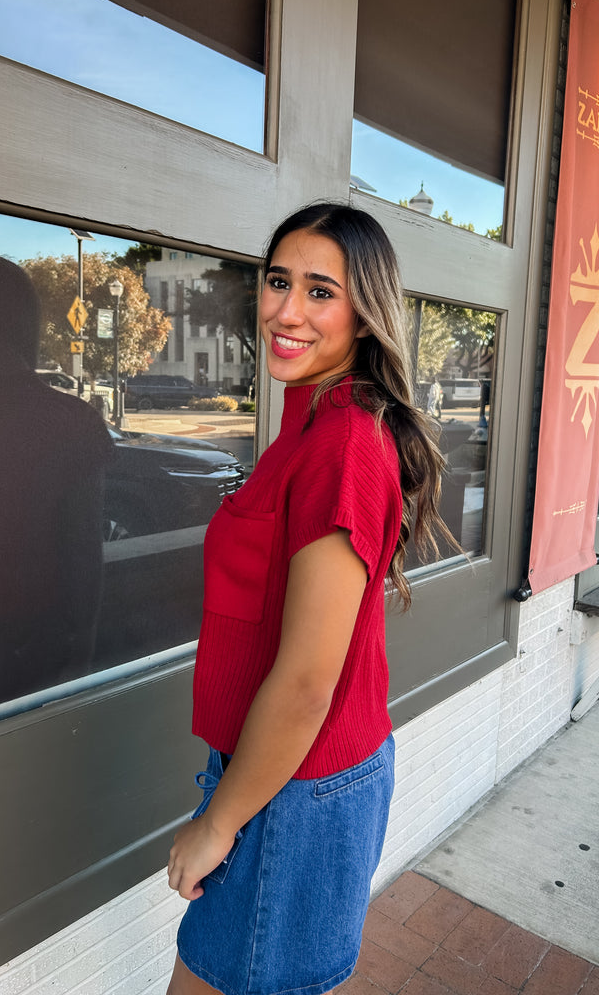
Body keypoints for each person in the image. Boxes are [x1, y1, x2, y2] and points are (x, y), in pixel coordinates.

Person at [166, 203, 451, 995]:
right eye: (277, 281)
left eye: (320, 291)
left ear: (364, 313)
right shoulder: (311, 422)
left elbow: (305, 681)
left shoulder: (342, 442)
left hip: (293, 791)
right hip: (280, 776)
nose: (286, 312)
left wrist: (219, 821)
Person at [0, 255, 113, 719]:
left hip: (18, 649)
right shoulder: (73, 421)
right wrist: (82, 647)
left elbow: (82, 551)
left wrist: (80, 650)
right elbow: (84, 555)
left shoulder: (71, 422)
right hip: (33, 648)